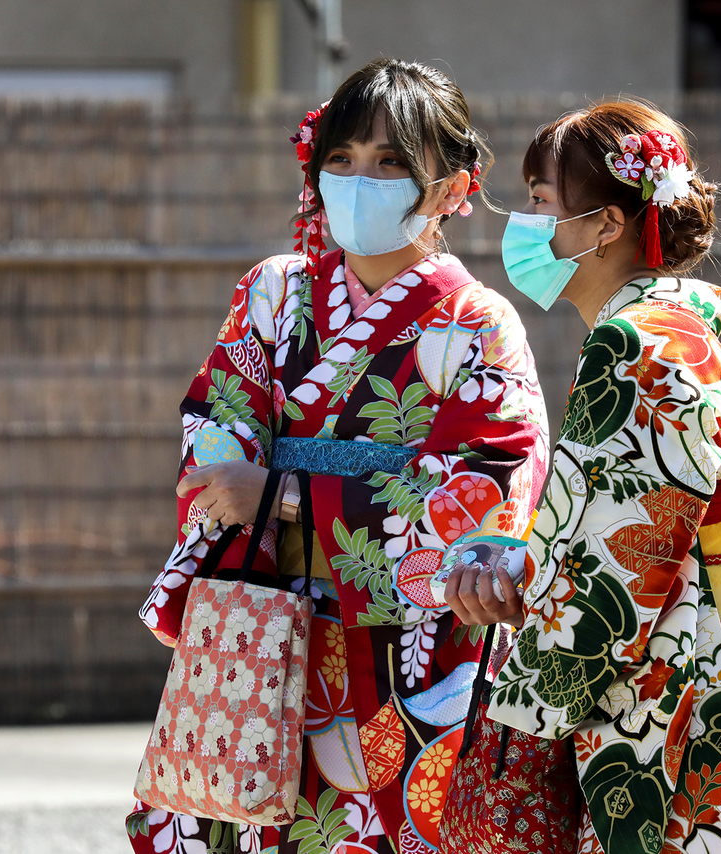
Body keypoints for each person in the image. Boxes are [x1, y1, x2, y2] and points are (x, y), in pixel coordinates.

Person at [127, 59, 549, 854]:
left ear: (455, 187)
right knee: (244, 801)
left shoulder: (477, 323)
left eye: (393, 163)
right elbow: (218, 416)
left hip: (398, 651)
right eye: (344, 160)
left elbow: (487, 485)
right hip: (264, 615)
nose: (363, 180)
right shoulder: (273, 292)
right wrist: (242, 486)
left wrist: (283, 493)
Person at [441, 101, 721, 854]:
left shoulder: (629, 342)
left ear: (607, 226)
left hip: (665, 694)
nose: (528, 222)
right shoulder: (678, 330)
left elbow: (622, 567)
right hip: (709, 665)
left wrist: (521, 715)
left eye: (543, 203)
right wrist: (529, 562)